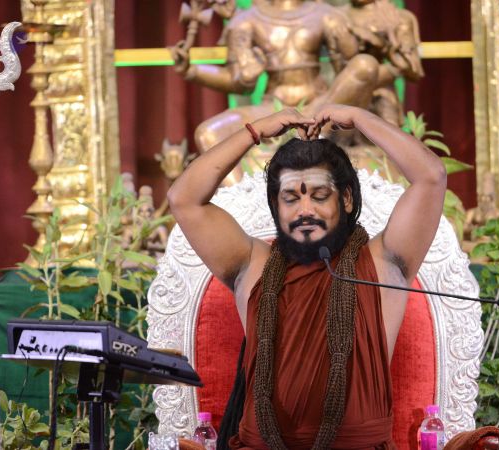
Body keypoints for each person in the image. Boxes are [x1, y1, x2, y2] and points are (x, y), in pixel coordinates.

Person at [168, 104, 446, 449]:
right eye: (290, 199)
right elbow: (184, 200)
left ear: (346, 199)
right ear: (276, 206)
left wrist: (359, 118)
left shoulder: (383, 263)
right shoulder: (252, 265)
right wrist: (256, 131)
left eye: (319, 196)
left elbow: (431, 177)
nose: (305, 210)